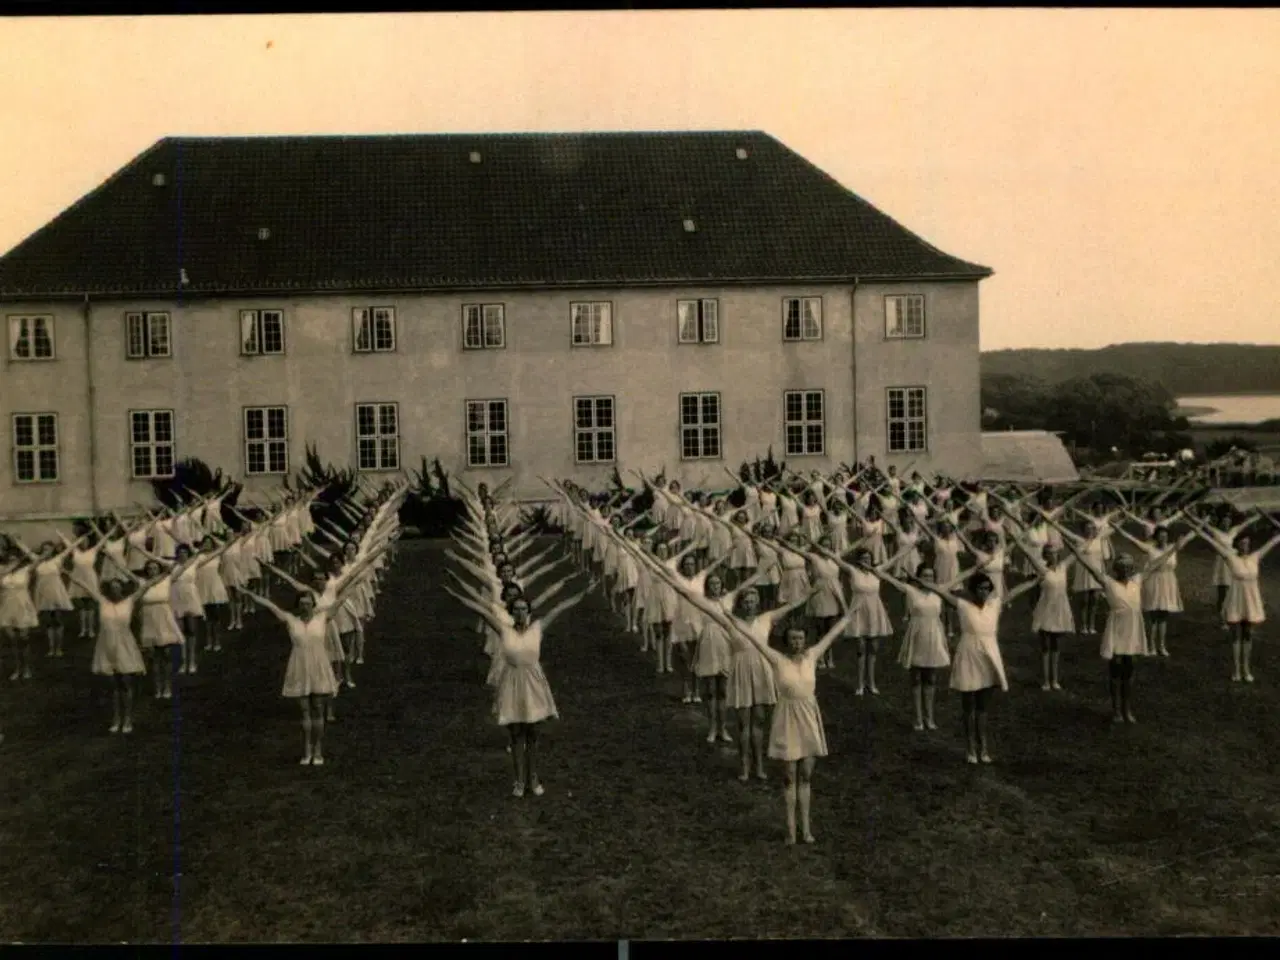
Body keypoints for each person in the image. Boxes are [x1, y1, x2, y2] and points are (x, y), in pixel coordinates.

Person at [446, 587, 590, 797]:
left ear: (529, 612)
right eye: (517, 609)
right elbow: (481, 611)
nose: (521, 613)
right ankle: (519, 781)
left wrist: (583, 593)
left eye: (524, 609)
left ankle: (533, 779)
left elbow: (560, 607)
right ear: (512, 612)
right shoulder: (504, 630)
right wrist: (456, 594)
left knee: (532, 734)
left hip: (534, 684)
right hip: (512, 683)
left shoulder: (537, 628)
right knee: (516, 736)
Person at [69, 563, 171, 733]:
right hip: (107, 646)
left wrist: (164, 574)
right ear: (109, 590)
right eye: (112, 588)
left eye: (118, 587)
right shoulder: (102, 601)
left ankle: (128, 719)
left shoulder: (130, 601)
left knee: (125, 682)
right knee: (114, 685)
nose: (115, 590)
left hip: (124, 645)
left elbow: (147, 585)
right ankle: (117, 718)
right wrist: (67, 573)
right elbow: (84, 585)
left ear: (122, 589)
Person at [1187, 512, 1280, 683]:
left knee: (1248, 636)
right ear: (1237, 545)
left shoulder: (1255, 557)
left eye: (1247, 544)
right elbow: (1213, 543)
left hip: (1251, 601)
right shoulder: (1230, 557)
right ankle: (1237, 669)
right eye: (1242, 544)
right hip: (1236, 600)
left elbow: (1272, 542)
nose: (1245, 546)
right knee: (1236, 636)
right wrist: (1198, 531)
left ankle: (1247, 669)